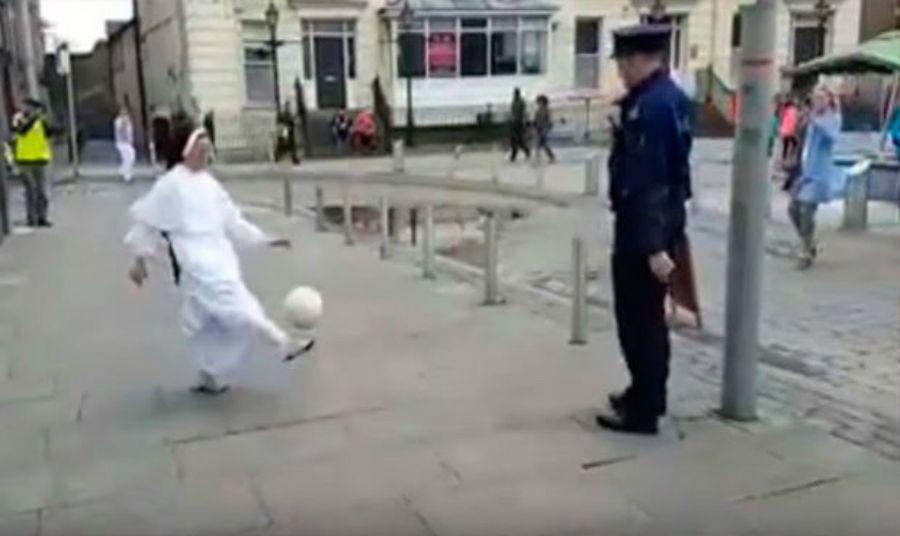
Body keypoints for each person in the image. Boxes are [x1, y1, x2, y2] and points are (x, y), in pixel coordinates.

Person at [124, 121, 313, 394]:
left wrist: (266, 239)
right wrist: (138, 261)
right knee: (230, 307)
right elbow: (148, 223)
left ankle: (208, 377)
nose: (205, 154)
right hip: (194, 260)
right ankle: (282, 342)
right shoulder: (170, 185)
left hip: (220, 255)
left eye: (207, 149)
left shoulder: (210, 184)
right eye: (200, 149)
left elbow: (234, 222)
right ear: (186, 151)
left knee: (205, 321)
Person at [597, 24, 693, 435]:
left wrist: (654, 245)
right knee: (641, 318)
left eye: (622, 62)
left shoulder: (651, 107)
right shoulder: (663, 99)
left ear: (640, 60)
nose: (620, 71)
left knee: (640, 321)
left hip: (644, 231)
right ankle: (643, 392)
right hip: (650, 224)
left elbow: (653, 178)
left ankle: (645, 409)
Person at [788, 85, 844, 270]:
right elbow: (800, 139)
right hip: (806, 171)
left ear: (829, 100)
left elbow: (831, 136)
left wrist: (815, 121)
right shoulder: (812, 119)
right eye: (815, 98)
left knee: (806, 210)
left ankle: (806, 251)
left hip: (820, 174)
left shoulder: (832, 118)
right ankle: (809, 241)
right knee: (793, 209)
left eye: (821, 98)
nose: (817, 102)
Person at [12, 99, 54, 227]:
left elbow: (50, 132)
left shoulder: (41, 121)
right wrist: (34, 118)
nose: (31, 110)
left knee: (41, 191)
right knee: (31, 189)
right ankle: (31, 218)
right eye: (29, 107)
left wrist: (47, 121)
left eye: (35, 108)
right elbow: (22, 130)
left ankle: (42, 217)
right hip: (24, 160)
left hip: (40, 159)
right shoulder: (18, 118)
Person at [114, 106, 136, 183]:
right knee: (127, 158)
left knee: (131, 157)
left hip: (128, 143)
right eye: (123, 113)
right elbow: (120, 130)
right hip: (122, 143)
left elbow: (130, 132)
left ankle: (122, 170)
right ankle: (127, 175)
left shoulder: (128, 120)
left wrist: (131, 140)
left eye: (126, 113)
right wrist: (124, 122)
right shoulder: (118, 121)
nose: (125, 115)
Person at [509, 88, 531, 162]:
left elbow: (523, 112)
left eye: (516, 93)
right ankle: (515, 154)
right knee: (514, 139)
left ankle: (523, 151)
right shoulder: (514, 102)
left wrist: (525, 121)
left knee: (518, 139)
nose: (515, 94)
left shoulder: (521, 102)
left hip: (519, 123)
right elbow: (512, 112)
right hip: (514, 122)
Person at [533, 95, 555, 163]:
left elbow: (549, 120)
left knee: (540, 144)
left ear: (543, 102)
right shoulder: (538, 110)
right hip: (539, 128)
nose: (538, 103)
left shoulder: (546, 110)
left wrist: (548, 127)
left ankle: (538, 158)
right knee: (541, 144)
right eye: (538, 102)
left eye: (540, 102)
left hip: (544, 129)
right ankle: (549, 156)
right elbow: (535, 119)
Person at [779, 97, 799, 164]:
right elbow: (794, 121)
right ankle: (791, 157)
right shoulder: (793, 110)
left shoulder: (784, 110)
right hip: (790, 131)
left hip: (784, 131)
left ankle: (783, 160)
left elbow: (781, 119)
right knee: (795, 144)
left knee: (785, 146)